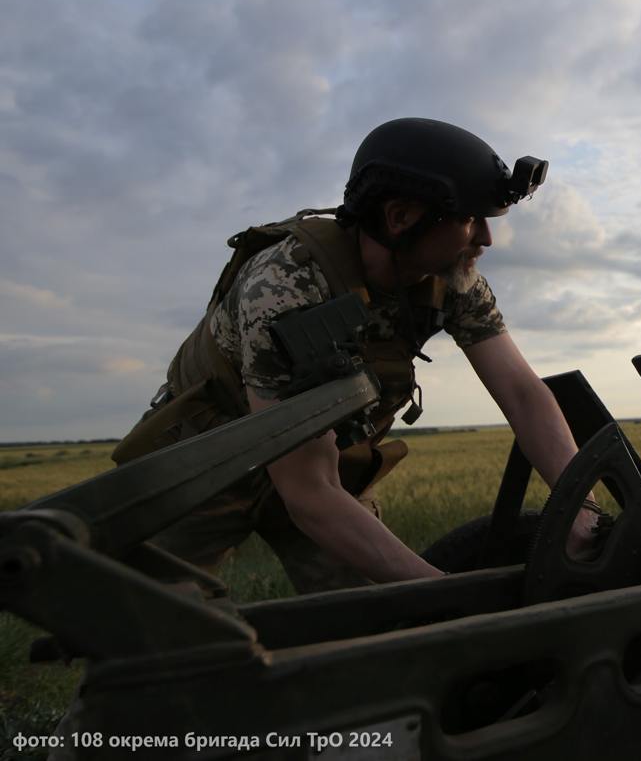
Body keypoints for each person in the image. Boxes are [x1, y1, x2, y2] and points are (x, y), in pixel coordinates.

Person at [111, 118, 596, 593]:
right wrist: (450, 598)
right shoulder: (286, 289)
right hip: (206, 462)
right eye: (470, 220)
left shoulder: (453, 278)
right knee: (154, 637)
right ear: (401, 217)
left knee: (378, 633)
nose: (485, 240)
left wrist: (582, 511)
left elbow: (522, 393)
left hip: (323, 460)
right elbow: (308, 492)